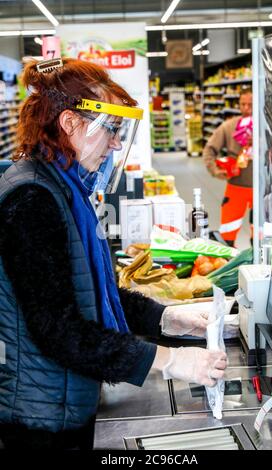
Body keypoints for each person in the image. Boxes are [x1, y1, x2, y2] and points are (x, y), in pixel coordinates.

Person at [0, 58, 227, 450]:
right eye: (112, 129)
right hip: (40, 421)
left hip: (64, 400)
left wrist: (167, 318)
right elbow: (62, 330)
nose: (117, 143)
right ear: (71, 124)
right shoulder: (32, 199)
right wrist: (169, 360)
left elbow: (90, 288)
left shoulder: (64, 188)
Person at [203, 88, 253, 247]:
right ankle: (228, 264)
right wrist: (215, 170)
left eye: (251, 104)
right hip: (235, 187)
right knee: (227, 234)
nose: (246, 108)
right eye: (243, 104)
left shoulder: (267, 128)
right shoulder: (229, 127)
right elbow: (209, 149)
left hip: (262, 190)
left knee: (262, 235)